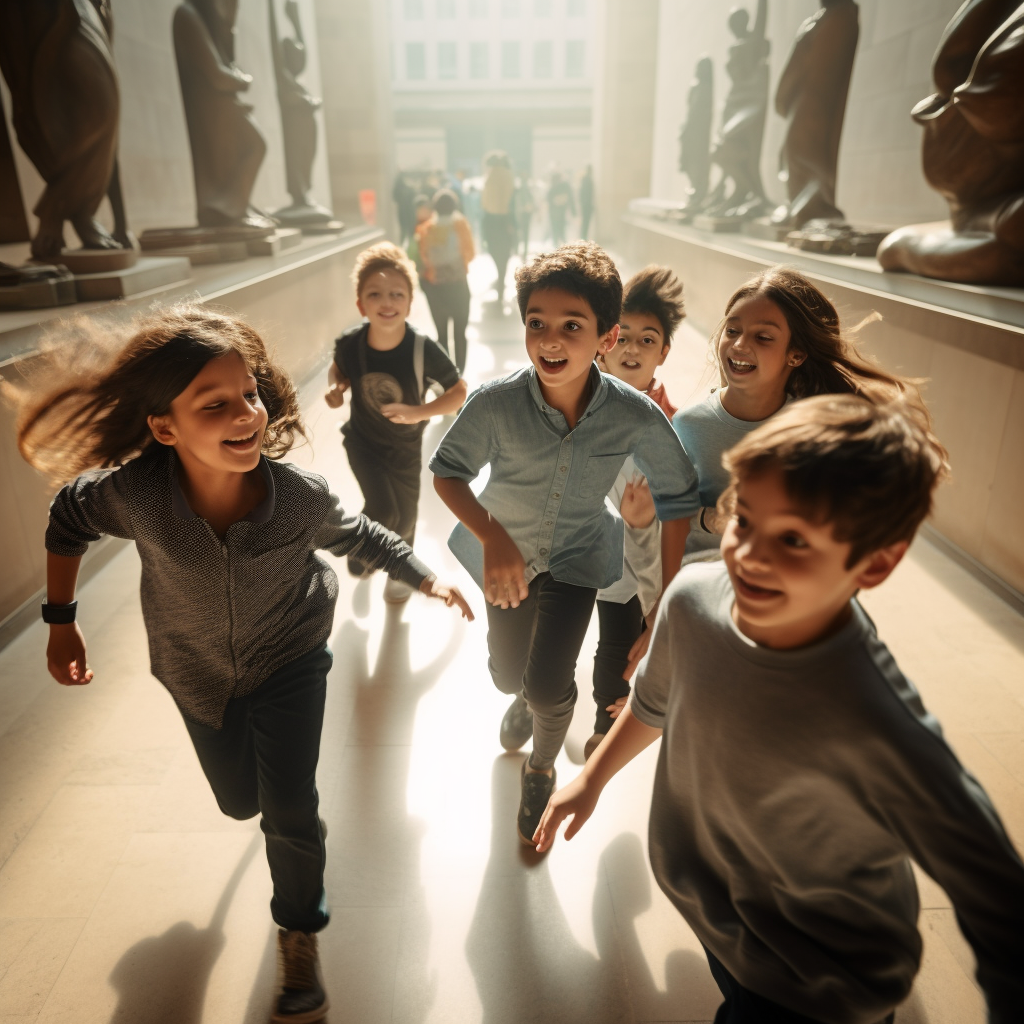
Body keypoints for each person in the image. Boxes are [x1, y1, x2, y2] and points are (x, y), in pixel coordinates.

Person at [10, 306, 473, 1024]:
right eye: (215, 404)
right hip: (193, 668)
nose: (246, 414)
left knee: (289, 808)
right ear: (166, 428)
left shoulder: (297, 500)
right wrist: (61, 624)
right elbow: (66, 520)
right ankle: (260, 815)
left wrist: (425, 573)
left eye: (250, 394)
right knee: (240, 801)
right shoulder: (135, 496)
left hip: (291, 656)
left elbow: (363, 535)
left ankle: (299, 933)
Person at [535, 395, 1024, 1024]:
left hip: (823, 981)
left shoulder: (873, 718)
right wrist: (592, 776)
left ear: (875, 562)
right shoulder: (691, 599)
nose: (750, 557)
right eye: (745, 521)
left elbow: (998, 901)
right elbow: (655, 702)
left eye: (793, 538)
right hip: (723, 921)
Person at [429, 242, 693, 846]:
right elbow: (447, 472)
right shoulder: (495, 404)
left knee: (551, 684)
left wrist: (667, 597)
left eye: (571, 327)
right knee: (506, 674)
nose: (550, 340)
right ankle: (522, 697)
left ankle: (542, 765)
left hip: (578, 557)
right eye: (537, 324)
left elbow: (678, 496)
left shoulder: (633, 414)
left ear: (605, 337)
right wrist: (490, 536)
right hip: (506, 564)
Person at [325, 243, 468, 602]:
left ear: (409, 302)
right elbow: (338, 369)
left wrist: (417, 412)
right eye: (375, 294)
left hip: (405, 448)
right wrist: (336, 387)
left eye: (396, 294)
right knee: (384, 507)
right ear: (361, 304)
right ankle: (364, 548)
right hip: (362, 441)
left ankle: (400, 573)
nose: (386, 302)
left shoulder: (422, 348)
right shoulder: (351, 343)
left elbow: (459, 392)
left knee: (406, 517)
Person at [587, 266, 685, 761]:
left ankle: (607, 719)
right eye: (622, 337)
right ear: (605, 340)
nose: (632, 349)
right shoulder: (577, 402)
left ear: (664, 352)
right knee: (547, 643)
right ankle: (533, 700)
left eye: (648, 340)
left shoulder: (672, 427)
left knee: (617, 648)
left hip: (627, 567)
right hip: (566, 554)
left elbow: (675, 515)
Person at [416, 189, 475, 374]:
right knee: (460, 334)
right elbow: (471, 252)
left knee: (442, 335)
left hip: (436, 288)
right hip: (458, 287)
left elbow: (421, 257)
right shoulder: (460, 225)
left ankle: (447, 374)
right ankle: (460, 374)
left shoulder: (426, 229)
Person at [480, 150, 516, 300]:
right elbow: (512, 202)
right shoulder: (509, 176)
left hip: (491, 220)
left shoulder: (490, 176)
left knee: (494, 250)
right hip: (506, 220)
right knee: (505, 253)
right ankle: (501, 278)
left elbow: (485, 203)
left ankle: (500, 278)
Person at [547, 171, 576, 246]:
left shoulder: (554, 187)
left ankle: (558, 243)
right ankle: (560, 243)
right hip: (559, 212)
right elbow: (569, 198)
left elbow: (549, 199)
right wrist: (573, 211)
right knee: (560, 229)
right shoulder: (563, 186)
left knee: (557, 229)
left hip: (555, 212)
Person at [513, 176, 536, 261]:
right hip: (524, 214)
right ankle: (522, 251)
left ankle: (519, 250)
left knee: (521, 233)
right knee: (524, 234)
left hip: (521, 214)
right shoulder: (525, 191)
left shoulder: (519, 191)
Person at [392, 171, 416, 247]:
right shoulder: (410, 188)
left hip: (403, 212)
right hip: (408, 213)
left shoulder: (399, 188)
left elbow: (394, 197)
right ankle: (409, 247)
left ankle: (404, 246)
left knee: (404, 231)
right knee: (408, 231)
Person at [579, 165, 594, 239]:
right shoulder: (587, 179)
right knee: (586, 221)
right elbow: (587, 193)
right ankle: (583, 236)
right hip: (587, 205)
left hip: (585, 204)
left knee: (585, 221)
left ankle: (583, 236)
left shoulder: (584, 179)